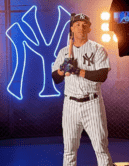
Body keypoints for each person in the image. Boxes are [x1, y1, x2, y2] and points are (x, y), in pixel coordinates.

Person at [52, 13, 113, 166]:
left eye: (85, 24)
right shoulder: (64, 51)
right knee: (69, 150)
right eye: (77, 24)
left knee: (100, 148)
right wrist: (63, 69)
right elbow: (56, 78)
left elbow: (102, 75)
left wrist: (77, 70)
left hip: (92, 102)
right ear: (72, 28)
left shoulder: (98, 49)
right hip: (70, 104)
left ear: (89, 28)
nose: (81, 27)